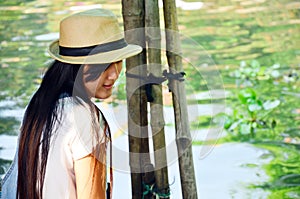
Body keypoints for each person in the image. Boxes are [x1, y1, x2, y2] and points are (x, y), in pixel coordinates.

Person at [1, 8, 142, 199]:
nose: (115, 74)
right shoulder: (84, 118)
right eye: (103, 64)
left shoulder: (37, 106)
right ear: (76, 66)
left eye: (118, 61)